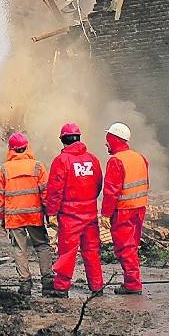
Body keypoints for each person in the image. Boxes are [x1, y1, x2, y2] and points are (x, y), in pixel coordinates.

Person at [44, 121, 103, 299]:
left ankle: (61, 288)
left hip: (70, 216)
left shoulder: (61, 161)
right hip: (90, 213)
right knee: (92, 251)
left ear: (63, 140)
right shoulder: (93, 159)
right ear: (78, 138)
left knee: (67, 252)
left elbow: (55, 190)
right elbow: (98, 184)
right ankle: (97, 286)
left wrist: (51, 212)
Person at [0, 132, 50, 297]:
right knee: (42, 245)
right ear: (27, 147)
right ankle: (47, 280)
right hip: (34, 215)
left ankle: (25, 283)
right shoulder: (38, 166)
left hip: (14, 217)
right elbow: (45, 192)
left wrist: (1, 217)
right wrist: (47, 213)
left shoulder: (4, 169)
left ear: (10, 149)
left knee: (19, 249)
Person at [101, 121, 150, 294]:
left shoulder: (116, 161)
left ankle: (132, 284)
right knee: (132, 246)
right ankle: (132, 281)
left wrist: (106, 214)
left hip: (124, 210)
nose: (106, 143)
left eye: (108, 140)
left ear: (114, 140)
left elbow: (111, 191)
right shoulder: (140, 157)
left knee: (125, 247)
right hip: (139, 208)